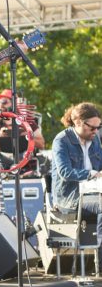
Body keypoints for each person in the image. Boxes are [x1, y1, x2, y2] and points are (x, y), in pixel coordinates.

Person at [51, 102, 102, 270]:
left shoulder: (94, 140)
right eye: (92, 128)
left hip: (93, 194)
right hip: (69, 198)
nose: (96, 131)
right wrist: (90, 174)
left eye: (98, 127)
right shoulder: (61, 140)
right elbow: (65, 172)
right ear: (78, 122)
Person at [0, 88, 45, 171]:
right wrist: (0, 138)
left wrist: (28, 137)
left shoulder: (28, 122)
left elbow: (42, 144)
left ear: (14, 104)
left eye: (4, 102)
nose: (0, 105)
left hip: (27, 164)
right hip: (4, 165)